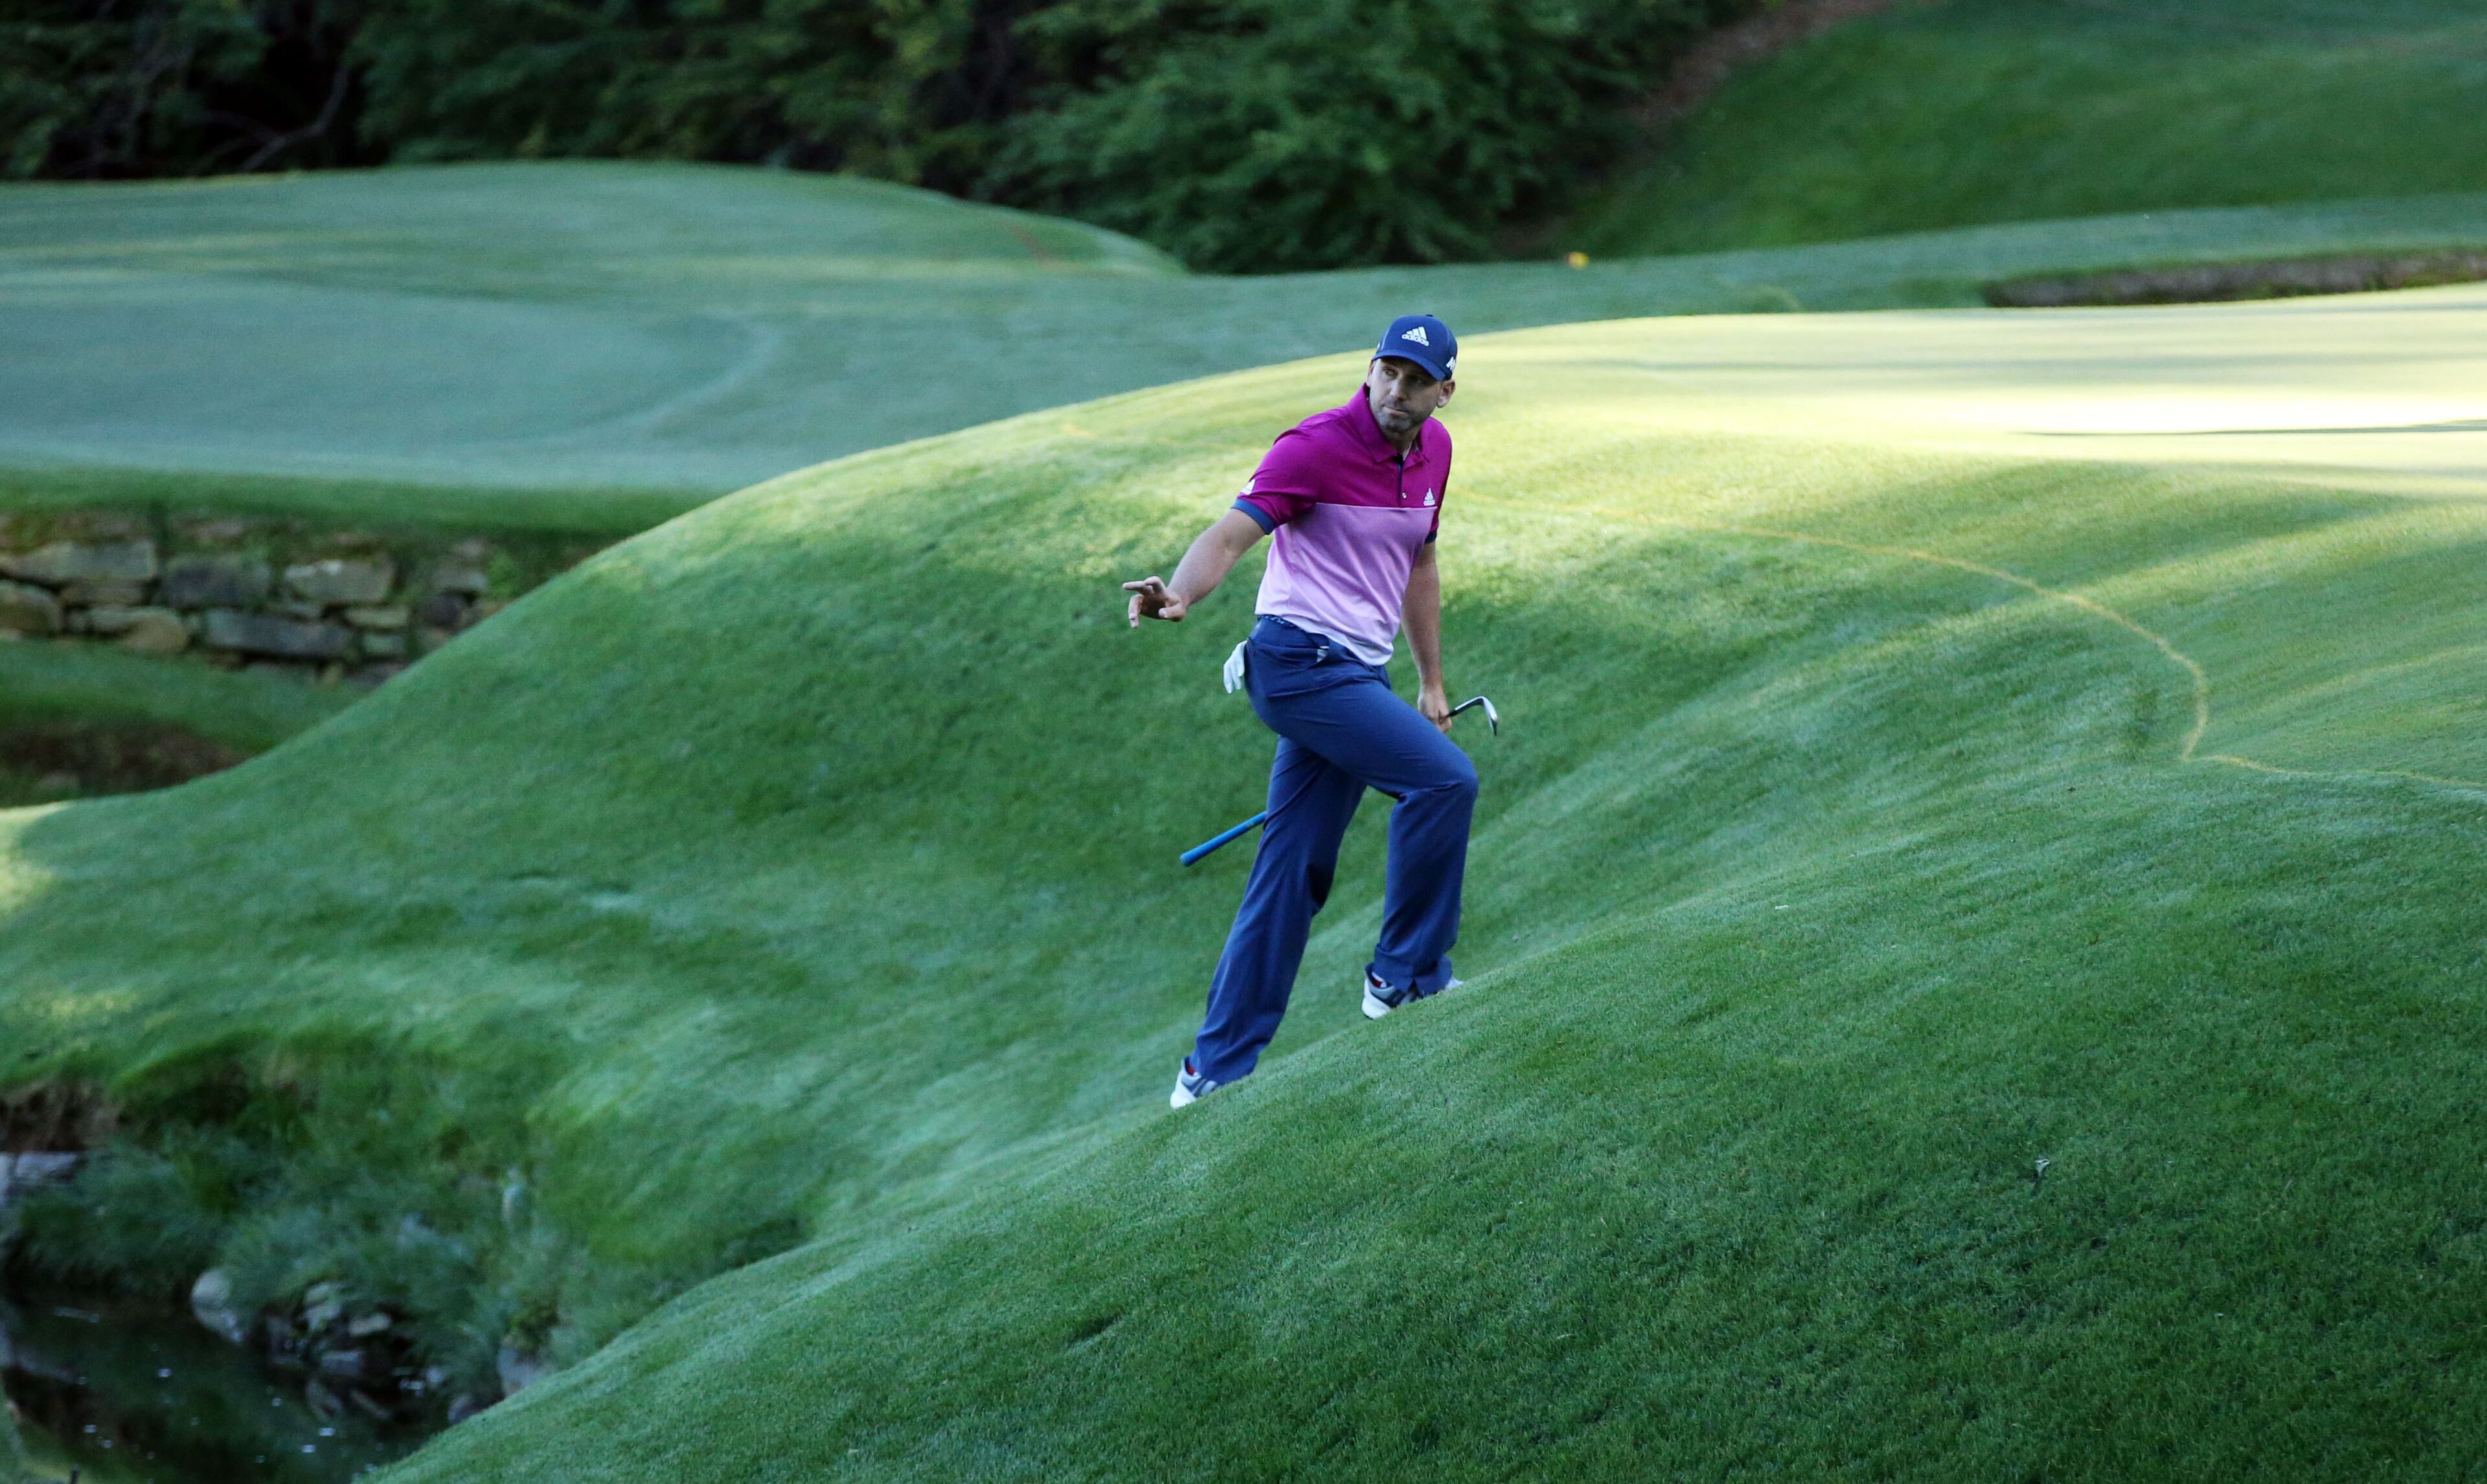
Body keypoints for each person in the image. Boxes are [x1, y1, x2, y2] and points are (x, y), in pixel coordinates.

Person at [1124, 313, 1481, 1109]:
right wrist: (1179, 594)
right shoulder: (1316, 446)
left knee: (1290, 873)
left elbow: (1420, 563)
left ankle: (1212, 1071)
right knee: (1445, 784)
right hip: (1296, 665)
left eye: (1418, 379)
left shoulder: (1436, 456)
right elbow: (1229, 535)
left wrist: (1430, 681)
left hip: (1356, 673)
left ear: (1444, 392)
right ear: (1371, 368)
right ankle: (1406, 978)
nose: (1398, 389)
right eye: (1389, 370)